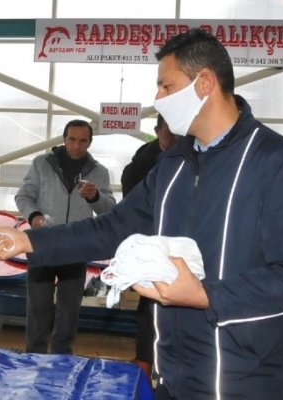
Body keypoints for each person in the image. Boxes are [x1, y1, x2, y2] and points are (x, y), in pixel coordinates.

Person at [0, 28, 283, 399]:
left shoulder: (280, 164)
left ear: (205, 83)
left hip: (249, 384)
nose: (157, 98)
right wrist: (29, 241)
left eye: (166, 86)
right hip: (174, 377)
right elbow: (113, 229)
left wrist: (206, 295)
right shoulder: (173, 164)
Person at [15, 119, 116, 354]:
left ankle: (62, 360)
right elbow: (23, 196)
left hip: (76, 246)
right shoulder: (41, 164)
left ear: (90, 143)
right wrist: (35, 217)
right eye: (72, 139)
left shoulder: (99, 172)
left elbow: (110, 209)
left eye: (82, 141)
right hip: (42, 244)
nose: (76, 145)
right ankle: (34, 356)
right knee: (38, 308)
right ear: (64, 139)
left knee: (69, 310)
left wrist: (95, 197)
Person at [119, 115, 177, 378]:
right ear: (157, 131)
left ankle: (161, 367)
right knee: (150, 306)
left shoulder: (196, 156)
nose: (176, 136)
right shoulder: (144, 163)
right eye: (170, 130)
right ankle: (144, 363)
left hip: (184, 252)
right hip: (152, 247)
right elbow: (130, 210)